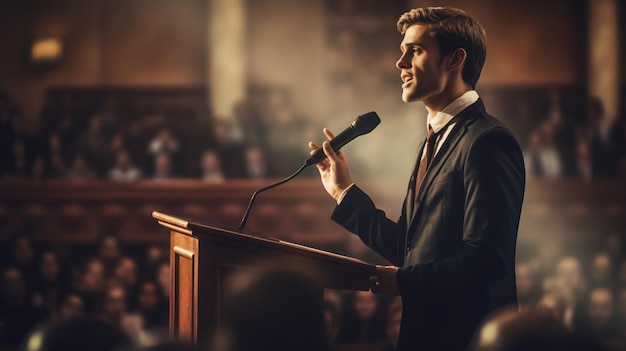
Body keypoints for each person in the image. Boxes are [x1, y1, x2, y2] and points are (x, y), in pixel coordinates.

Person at [308, 7, 525, 350]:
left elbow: (487, 257)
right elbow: (408, 248)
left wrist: (404, 282)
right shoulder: (433, 141)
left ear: (455, 60)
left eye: (416, 50)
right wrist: (343, 192)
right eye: (402, 51)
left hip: (466, 339)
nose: (400, 63)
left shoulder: (486, 140)